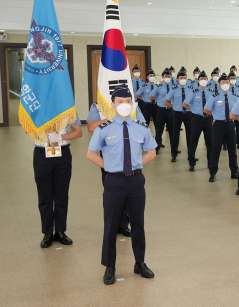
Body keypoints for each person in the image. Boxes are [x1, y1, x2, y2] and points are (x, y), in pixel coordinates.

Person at [86, 85, 157, 285]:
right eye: (120, 102)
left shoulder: (141, 127)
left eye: (127, 102)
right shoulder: (104, 129)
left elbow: (151, 151)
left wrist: (136, 165)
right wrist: (109, 166)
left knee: (138, 224)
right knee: (110, 226)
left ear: (132, 104)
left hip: (135, 181)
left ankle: (140, 262)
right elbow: (91, 154)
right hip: (114, 181)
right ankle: (110, 267)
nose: (124, 105)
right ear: (113, 104)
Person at [87, 102, 145, 238]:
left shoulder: (133, 105)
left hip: (131, 154)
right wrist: (114, 118)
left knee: (130, 193)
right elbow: (91, 127)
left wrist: (125, 117)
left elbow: (142, 124)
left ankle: (124, 225)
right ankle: (112, 224)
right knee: (112, 193)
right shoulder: (98, 105)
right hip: (110, 155)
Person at [32, 112, 82, 248]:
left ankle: (60, 231)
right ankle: (47, 233)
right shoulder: (37, 108)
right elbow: (27, 128)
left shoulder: (68, 109)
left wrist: (59, 136)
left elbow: (78, 132)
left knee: (61, 195)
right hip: (42, 153)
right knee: (44, 196)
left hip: (62, 153)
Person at [204, 73, 239, 182]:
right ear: (219, 84)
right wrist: (215, 114)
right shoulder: (214, 97)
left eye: (227, 82)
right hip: (218, 124)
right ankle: (213, 172)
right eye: (223, 82)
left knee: (232, 149)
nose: (225, 84)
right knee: (216, 149)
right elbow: (206, 110)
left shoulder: (234, 97)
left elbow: (237, 111)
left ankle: (234, 171)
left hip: (230, 124)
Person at [183, 71, 213, 172]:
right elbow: (185, 104)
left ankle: (210, 162)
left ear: (207, 80)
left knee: (210, 142)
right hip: (197, 119)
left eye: (205, 79)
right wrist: (194, 109)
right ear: (198, 81)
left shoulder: (211, 92)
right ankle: (192, 163)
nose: (203, 81)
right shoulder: (194, 92)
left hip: (208, 119)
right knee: (193, 141)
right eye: (201, 79)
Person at [164, 70, 193, 163]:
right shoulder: (174, 89)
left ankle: (191, 155)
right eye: (181, 78)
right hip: (177, 114)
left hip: (188, 114)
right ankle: (174, 154)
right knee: (175, 135)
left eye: (184, 78)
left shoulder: (191, 89)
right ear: (177, 79)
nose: (183, 79)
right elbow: (166, 101)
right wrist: (175, 107)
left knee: (190, 135)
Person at [149, 68, 173, 153]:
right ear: (162, 77)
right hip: (161, 110)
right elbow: (151, 96)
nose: (167, 77)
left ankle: (174, 149)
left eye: (168, 76)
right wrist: (159, 100)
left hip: (171, 110)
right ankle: (157, 147)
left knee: (172, 131)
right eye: (166, 76)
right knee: (159, 130)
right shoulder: (158, 87)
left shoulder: (173, 87)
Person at [228, 71, 239, 149]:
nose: (233, 80)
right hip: (229, 110)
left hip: (237, 110)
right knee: (227, 127)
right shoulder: (226, 88)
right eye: (231, 78)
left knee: (238, 127)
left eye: (234, 78)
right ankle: (225, 144)